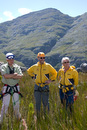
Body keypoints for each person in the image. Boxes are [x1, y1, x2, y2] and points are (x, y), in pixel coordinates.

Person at [27, 52, 57, 118]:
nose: (42, 59)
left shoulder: (48, 66)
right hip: (37, 86)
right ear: (38, 58)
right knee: (37, 102)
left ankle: (46, 117)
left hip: (45, 86)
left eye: (44, 58)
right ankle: (38, 117)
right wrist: (32, 76)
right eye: (41, 58)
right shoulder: (34, 66)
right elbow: (28, 71)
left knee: (46, 102)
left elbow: (55, 73)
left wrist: (51, 80)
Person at [0, 53, 23, 124]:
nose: (11, 60)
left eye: (12, 59)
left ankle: (17, 119)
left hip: (16, 87)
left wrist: (10, 76)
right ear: (7, 59)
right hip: (7, 87)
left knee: (16, 104)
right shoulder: (3, 67)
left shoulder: (16, 66)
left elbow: (20, 76)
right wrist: (14, 75)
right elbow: (5, 76)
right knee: (5, 105)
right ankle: (1, 121)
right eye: (10, 59)